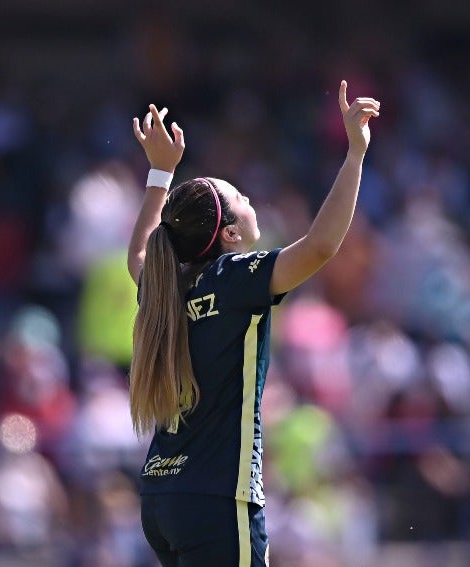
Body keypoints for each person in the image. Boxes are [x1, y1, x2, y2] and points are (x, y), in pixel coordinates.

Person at [127, 81, 380, 567]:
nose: (249, 197)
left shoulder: (166, 286)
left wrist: (160, 172)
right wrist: (354, 157)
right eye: (239, 197)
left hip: (162, 497)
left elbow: (140, 253)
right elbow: (321, 246)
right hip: (219, 499)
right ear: (228, 232)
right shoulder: (236, 278)